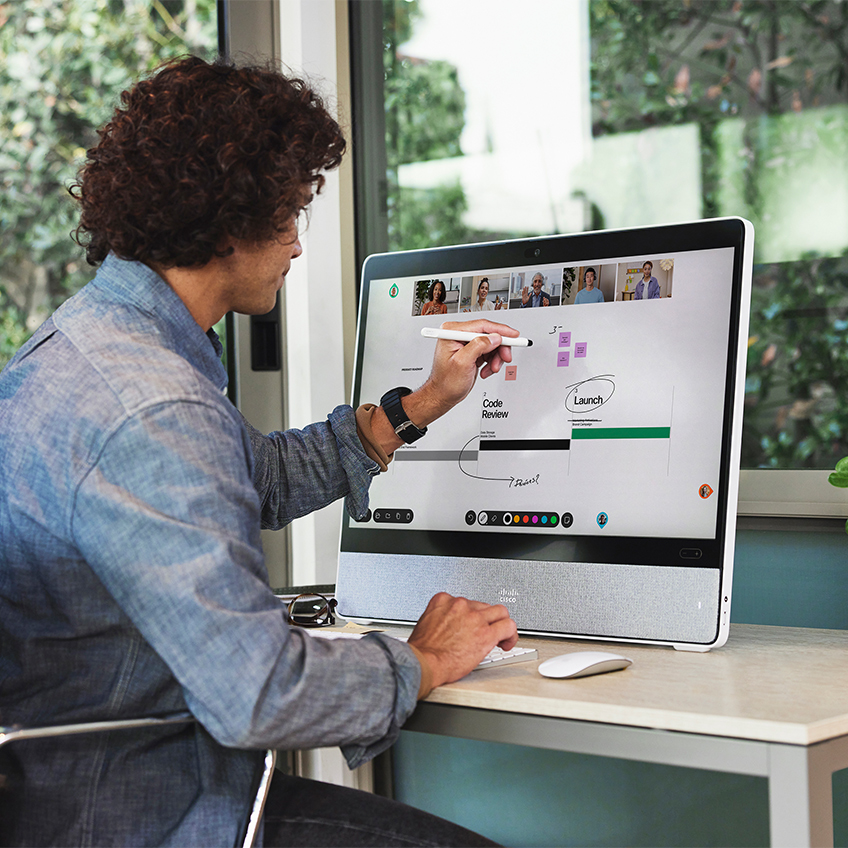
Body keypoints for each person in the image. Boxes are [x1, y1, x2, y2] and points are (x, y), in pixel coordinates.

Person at [0, 56, 519, 848]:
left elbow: (251, 477)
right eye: (289, 214)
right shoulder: (152, 403)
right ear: (230, 223)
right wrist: (420, 660)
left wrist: (416, 408)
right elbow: (258, 693)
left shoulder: (90, 342)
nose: (298, 247)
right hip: (145, 817)